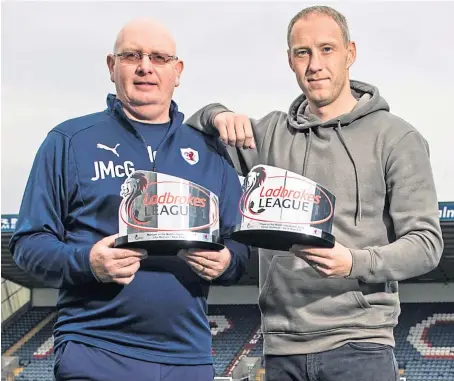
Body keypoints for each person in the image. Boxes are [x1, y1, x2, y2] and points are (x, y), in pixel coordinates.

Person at [186, 5, 444, 381]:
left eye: (327, 49)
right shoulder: (269, 135)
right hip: (281, 348)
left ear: (350, 53)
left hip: (361, 344)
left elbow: (426, 244)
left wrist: (353, 262)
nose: (315, 64)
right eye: (302, 52)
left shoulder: (397, 138)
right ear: (290, 60)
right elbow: (190, 143)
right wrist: (216, 113)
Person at [9, 18, 250, 381]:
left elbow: (240, 242)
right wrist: (87, 261)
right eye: (132, 55)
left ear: (177, 70)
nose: (145, 67)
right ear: (111, 66)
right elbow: (28, 243)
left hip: (187, 358)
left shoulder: (209, 151)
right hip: (95, 349)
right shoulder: (69, 141)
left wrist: (228, 260)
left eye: (159, 57)